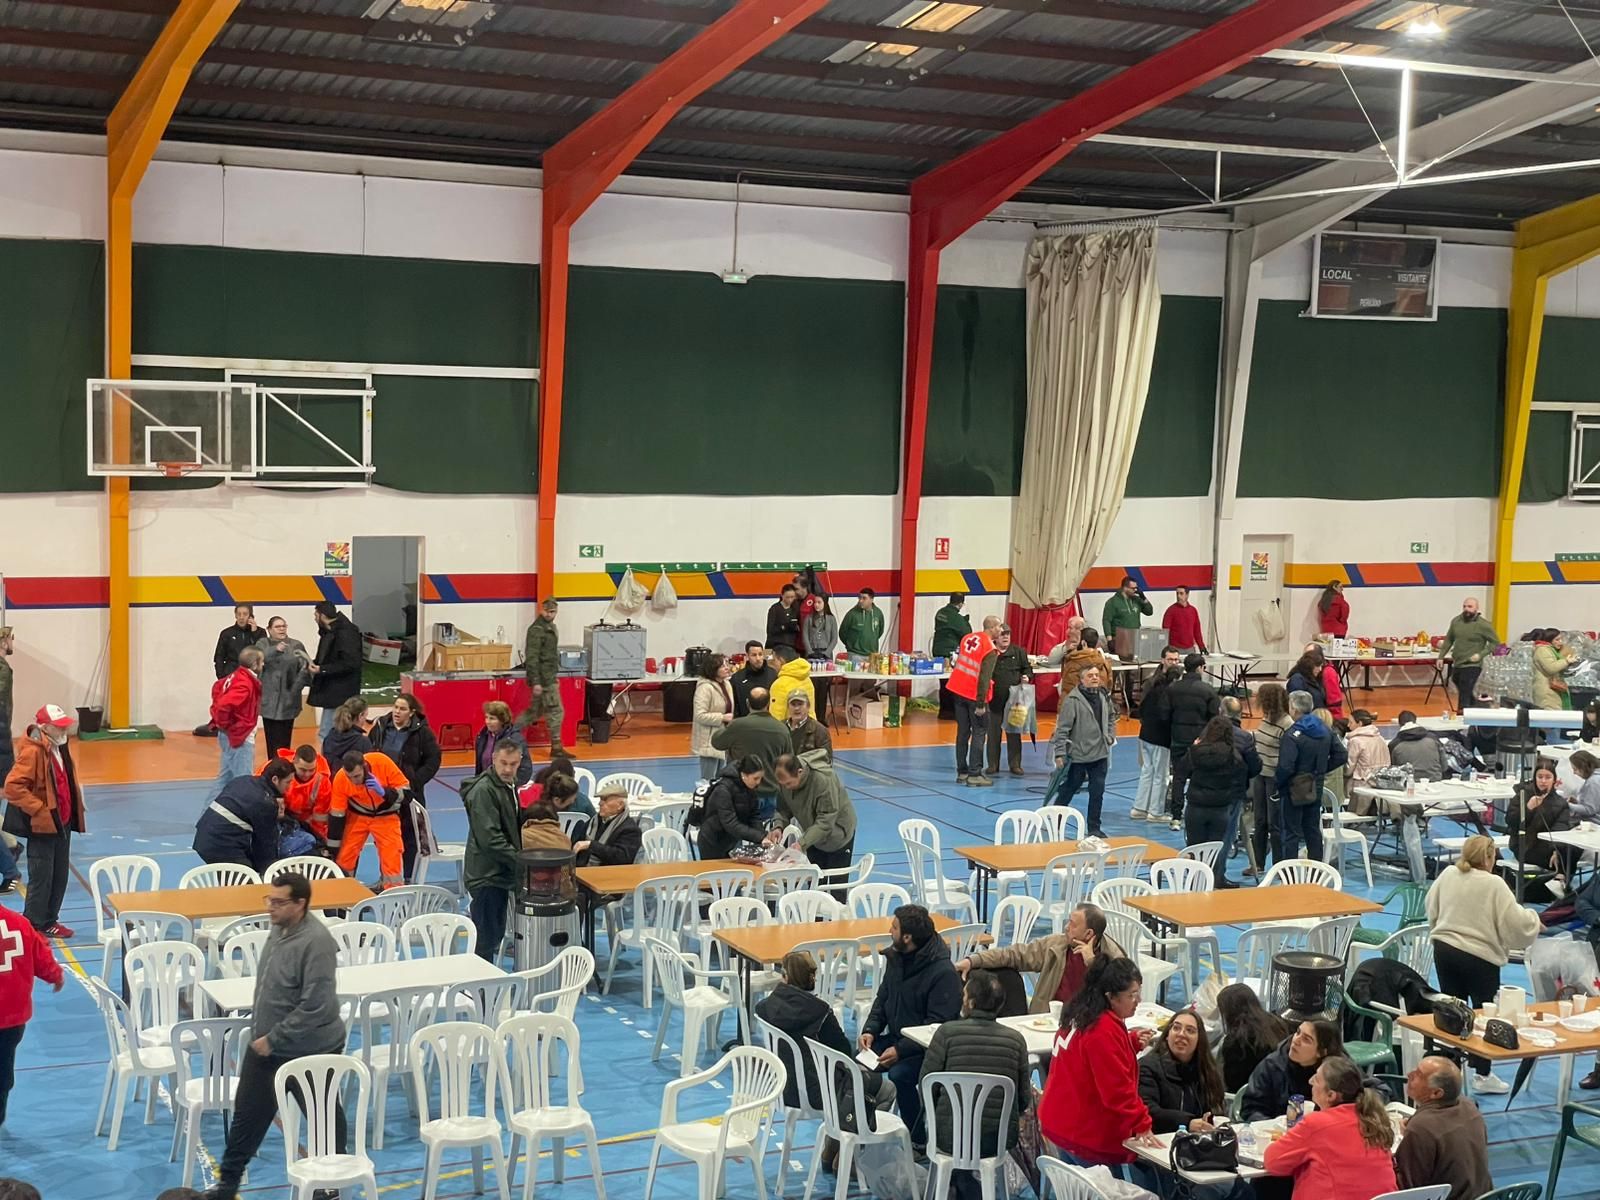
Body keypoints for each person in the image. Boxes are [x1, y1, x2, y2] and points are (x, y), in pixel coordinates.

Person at [202, 871, 348, 1200]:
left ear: (300, 904)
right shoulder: (279, 928)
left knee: (324, 1118)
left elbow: (317, 1006)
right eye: (269, 900)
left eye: (279, 902)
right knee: (247, 1116)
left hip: (311, 1050)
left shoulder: (318, 942)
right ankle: (227, 1186)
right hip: (268, 1046)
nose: (271, 908)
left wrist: (274, 1037)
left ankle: (332, 1184)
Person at [757, 950, 895, 1171]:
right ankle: (847, 1153)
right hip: (819, 1092)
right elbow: (843, 1052)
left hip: (781, 1087)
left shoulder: (763, 1008)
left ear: (785, 976)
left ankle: (835, 1144)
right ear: (812, 978)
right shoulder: (820, 1012)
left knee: (853, 1086)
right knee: (885, 1089)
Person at [1425, 834, 1540, 1092]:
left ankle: (1449, 1071)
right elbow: (1516, 923)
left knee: (1452, 1012)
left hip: (1445, 951)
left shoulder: (1448, 875)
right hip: (1479, 958)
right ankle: (1483, 1074)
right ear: (1489, 857)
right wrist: (1534, 920)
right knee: (1483, 1014)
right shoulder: (1494, 885)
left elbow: (1430, 906)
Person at [920, 970, 1032, 1200]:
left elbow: (926, 1085)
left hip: (947, 1135)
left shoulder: (946, 1033)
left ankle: (956, 1186)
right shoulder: (1016, 1040)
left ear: (970, 1002)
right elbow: (1022, 1098)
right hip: (996, 1140)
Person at [1040, 956, 1158, 1173]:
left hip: (1059, 1122)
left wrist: (1129, 1043)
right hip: (1084, 1135)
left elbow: (1085, 1057)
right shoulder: (1103, 1030)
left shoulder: (1081, 1011)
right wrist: (1143, 1125)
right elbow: (1116, 1091)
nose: (1138, 999)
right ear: (1111, 996)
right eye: (1132, 994)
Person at [858, 905, 963, 1148]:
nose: (889, 930)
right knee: (856, 1067)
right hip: (896, 1037)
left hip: (927, 1048)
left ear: (908, 937)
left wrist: (901, 1051)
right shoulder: (896, 957)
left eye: (894, 927)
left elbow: (937, 1025)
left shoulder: (943, 973)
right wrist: (870, 1030)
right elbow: (883, 997)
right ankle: (863, 1129)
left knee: (900, 1075)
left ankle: (917, 1140)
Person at [1261, 1056, 1397, 1200]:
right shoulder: (1374, 1119)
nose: (1310, 1081)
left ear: (1331, 1095)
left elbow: (1272, 1161)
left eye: (1317, 1079)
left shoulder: (1317, 1124)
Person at [3, 705, 85, 938]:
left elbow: (63, 779)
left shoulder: (59, 747)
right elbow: (13, 786)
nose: (65, 730)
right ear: (45, 727)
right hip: (43, 826)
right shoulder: (33, 751)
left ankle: (49, 920)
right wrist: (38, 809)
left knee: (59, 875)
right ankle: (34, 924)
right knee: (42, 877)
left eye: (65, 725)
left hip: (62, 822)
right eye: (60, 726)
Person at [956, 901, 1123, 1013]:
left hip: (1090, 1025)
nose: (1066, 927)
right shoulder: (1057, 945)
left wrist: (1093, 963)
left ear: (1088, 934)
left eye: (1072, 924)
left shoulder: (1114, 956)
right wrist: (973, 960)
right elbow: (1013, 954)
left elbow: (1120, 990)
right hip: (1050, 1020)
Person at [1392, 1056, 1493, 1200]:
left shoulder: (1421, 1128)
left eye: (1418, 1075)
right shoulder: (1469, 1106)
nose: (1409, 1075)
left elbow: (1407, 1187)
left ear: (1436, 1093)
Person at [0, 902, 63, 1130]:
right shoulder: (20, 924)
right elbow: (41, 955)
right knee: (3, 1068)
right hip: (13, 1019)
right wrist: (55, 975)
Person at [368, 692, 442, 880]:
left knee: (410, 838)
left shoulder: (423, 733)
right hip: (383, 794)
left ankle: (409, 877)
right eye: (395, 707)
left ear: (412, 712)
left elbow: (433, 759)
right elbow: (369, 753)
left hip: (409, 795)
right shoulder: (380, 727)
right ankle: (386, 878)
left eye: (402, 709)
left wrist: (416, 781)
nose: (397, 712)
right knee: (384, 840)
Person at [462, 739, 523, 960]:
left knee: (494, 935)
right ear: (493, 759)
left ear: (520, 762)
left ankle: (484, 989)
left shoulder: (507, 785)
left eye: (513, 764)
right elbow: (490, 839)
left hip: (498, 873)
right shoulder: (483, 791)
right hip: (486, 875)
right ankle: (479, 991)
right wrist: (521, 861)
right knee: (486, 940)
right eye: (504, 763)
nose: (508, 769)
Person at [1185, 715, 1256, 887]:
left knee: (1194, 848)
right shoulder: (1233, 756)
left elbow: (1183, 771)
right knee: (1216, 848)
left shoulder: (1195, 751)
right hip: (1220, 808)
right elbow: (1247, 771)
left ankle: (1194, 883)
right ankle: (1213, 881)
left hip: (1196, 807)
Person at [1277, 690, 1346, 861]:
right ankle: (1317, 870)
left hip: (1294, 787)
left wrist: (1278, 784)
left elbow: (1286, 766)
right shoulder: (1325, 730)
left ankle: (1289, 875)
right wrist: (1321, 770)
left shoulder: (1292, 734)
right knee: (1312, 829)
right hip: (1315, 784)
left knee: (1291, 833)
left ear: (1293, 708)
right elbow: (1341, 755)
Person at [193, 759, 295, 874]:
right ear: (275, 780)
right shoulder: (266, 803)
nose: (289, 787)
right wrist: (271, 871)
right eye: (288, 782)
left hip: (203, 836)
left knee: (230, 880)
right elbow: (265, 845)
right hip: (222, 844)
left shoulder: (243, 780)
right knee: (246, 882)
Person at [1051, 664, 1116, 837]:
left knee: (1097, 792)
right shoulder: (1073, 701)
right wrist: (1059, 753)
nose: (1095, 678)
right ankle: (1055, 819)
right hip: (1078, 755)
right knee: (1070, 788)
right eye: (1090, 676)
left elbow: (1111, 716)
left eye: (1097, 675)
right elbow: (1062, 729)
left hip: (1100, 754)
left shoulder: (1103, 696)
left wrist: (1110, 735)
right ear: (1082, 680)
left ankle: (1094, 827)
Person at [330, 750, 409, 890]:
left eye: (357, 776)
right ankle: (343, 893)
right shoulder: (341, 779)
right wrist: (332, 849)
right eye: (350, 777)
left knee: (392, 858)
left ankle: (394, 896)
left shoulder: (382, 762)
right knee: (344, 857)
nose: (354, 781)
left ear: (365, 767)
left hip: (386, 816)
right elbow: (337, 815)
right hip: (358, 816)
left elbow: (407, 794)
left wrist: (385, 792)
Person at [1240, 1018, 1344, 1121]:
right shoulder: (1272, 1066)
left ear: (1321, 1052)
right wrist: (1275, 1127)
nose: (1296, 1040)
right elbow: (1251, 1109)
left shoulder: (1338, 1074)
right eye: (1298, 1032)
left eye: (1306, 1039)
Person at [774, 752, 857, 879]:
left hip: (838, 834)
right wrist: (778, 826)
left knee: (837, 886)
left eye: (789, 784)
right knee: (816, 880)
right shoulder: (786, 779)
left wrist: (802, 843)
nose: (786, 788)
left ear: (800, 772)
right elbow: (783, 808)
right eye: (783, 785)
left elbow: (826, 820)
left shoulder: (823, 780)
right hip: (813, 835)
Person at [1166, 652, 1220, 834]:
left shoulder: (1173, 688)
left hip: (1178, 738)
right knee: (1200, 777)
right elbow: (1215, 719)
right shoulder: (1208, 690)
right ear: (1200, 668)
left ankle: (1175, 817)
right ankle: (1196, 814)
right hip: (1200, 741)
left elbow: (1164, 713)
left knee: (1179, 778)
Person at [712, 688, 793, 809]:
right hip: (771, 794)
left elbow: (717, 742)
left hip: (740, 793)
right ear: (768, 704)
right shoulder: (782, 729)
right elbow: (789, 761)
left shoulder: (737, 726)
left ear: (747, 703)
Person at [206, 645, 263, 803]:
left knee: (224, 779)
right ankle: (242, 819)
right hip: (239, 738)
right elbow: (224, 705)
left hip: (231, 736)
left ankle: (207, 815)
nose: (264, 665)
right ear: (255, 664)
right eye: (262, 661)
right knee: (244, 783)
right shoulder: (245, 682)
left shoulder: (236, 676)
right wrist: (227, 725)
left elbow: (217, 688)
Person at [1246, 683, 1293, 874]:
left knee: (1275, 824)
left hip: (1274, 778)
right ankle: (1257, 863)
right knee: (1259, 821)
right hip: (1260, 775)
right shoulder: (1266, 718)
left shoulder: (1287, 723)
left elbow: (1287, 754)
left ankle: (1278, 865)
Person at [948, 618, 999, 787]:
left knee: (962, 732)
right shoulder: (990, 649)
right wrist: (981, 703)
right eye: (999, 626)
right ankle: (975, 773)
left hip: (957, 689)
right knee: (979, 732)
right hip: (973, 694)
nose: (1001, 630)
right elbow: (984, 678)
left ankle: (961, 772)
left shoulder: (967, 638)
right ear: (991, 628)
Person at [521, 597, 574, 759]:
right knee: (556, 711)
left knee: (534, 713)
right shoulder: (537, 630)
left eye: (553, 612)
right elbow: (532, 657)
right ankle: (556, 747)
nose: (550, 614)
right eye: (547, 611)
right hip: (545, 679)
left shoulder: (550, 627)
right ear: (541, 610)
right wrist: (536, 681)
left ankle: (507, 736)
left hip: (548, 676)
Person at [1216, 982, 1292, 1093]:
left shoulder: (1235, 1042)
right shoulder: (1277, 1023)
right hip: (1280, 1091)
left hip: (1248, 1097)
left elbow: (1231, 1085)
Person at [254, 616, 309, 760]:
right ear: (269, 629)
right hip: (269, 700)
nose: (282, 629)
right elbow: (257, 658)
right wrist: (275, 650)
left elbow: (305, 668)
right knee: (271, 739)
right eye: (278, 627)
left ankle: (285, 766)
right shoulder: (263, 643)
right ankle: (272, 764)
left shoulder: (296, 645)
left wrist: (296, 688)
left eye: (284, 626)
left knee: (285, 739)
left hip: (288, 700)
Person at [696, 756, 770, 862]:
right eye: (755, 778)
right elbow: (730, 823)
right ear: (744, 775)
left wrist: (763, 837)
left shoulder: (750, 788)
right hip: (712, 841)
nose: (758, 782)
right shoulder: (723, 789)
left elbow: (754, 816)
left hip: (731, 840)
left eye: (760, 778)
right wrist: (759, 837)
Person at [306, 600, 361, 739]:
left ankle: (328, 760)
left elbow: (350, 663)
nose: (314, 618)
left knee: (327, 732)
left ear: (322, 616)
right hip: (334, 691)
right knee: (328, 731)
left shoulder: (345, 633)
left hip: (340, 693)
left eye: (316, 615)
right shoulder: (330, 632)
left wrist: (322, 669)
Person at [1131, 664, 1178, 822]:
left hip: (1144, 735)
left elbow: (1141, 710)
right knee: (1161, 775)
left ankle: (1139, 808)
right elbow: (1166, 717)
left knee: (1147, 772)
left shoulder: (1154, 689)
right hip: (1160, 739)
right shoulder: (1169, 694)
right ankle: (1156, 812)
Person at [985, 624, 1034, 778]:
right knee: (993, 735)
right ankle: (993, 765)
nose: (1005, 637)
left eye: (1008, 634)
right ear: (995, 637)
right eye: (1002, 634)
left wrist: (1027, 676)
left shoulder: (1019, 652)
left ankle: (1015, 765)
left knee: (1014, 734)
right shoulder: (990, 652)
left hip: (1014, 703)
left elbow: (1027, 669)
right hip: (994, 702)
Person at [1439, 598, 1498, 714]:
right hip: (1458, 662)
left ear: (1477, 608)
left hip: (1473, 664)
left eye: (1470, 606)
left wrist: (1480, 655)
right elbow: (1449, 640)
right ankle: (1476, 706)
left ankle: (1462, 713)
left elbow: (1495, 643)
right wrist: (1441, 657)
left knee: (1465, 687)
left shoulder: (1483, 625)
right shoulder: (1456, 621)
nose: (1466, 609)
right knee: (1457, 681)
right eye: (1464, 606)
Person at [271, 744, 333, 850]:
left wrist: (320, 840)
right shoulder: (275, 768)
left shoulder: (322, 782)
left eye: (311, 770)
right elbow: (260, 791)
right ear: (293, 761)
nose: (307, 774)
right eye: (303, 770)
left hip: (305, 824)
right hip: (277, 817)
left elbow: (320, 818)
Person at [573, 782, 643, 868]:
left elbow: (622, 858)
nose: (600, 803)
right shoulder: (593, 822)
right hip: (582, 870)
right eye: (600, 799)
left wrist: (591, 845)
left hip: (609, 874)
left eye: (605, 800)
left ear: (620, 805)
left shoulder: (630, 830)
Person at [691, 652, 735, 780]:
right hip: (708, 741)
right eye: (722, 666)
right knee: (708, 780)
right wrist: (722, 717)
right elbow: (699, 715)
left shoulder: (727, 684)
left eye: (727, 664)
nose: (727, 668)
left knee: (721, 779)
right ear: (712, 669)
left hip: (722, 738)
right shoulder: (704, 688)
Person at [476, 700, 533, 785]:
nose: (487, 721)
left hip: (506, 786)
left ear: (502, 720)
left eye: (492, 718)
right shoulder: (482, 736)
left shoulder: (515, 739)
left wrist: (511, 785)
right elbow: (480, 766)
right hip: (486, 785)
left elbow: (525, 768)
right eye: (486, 717)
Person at [1344, 708, 1391, 800]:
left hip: (1361, 786)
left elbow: (1349, 769)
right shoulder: (1380, 738)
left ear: (1360, 723)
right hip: (1382, 784)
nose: (1348, 726)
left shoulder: (1355, 741)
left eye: (1351, 722)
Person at [1389, 711, 1447, 781]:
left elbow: (1393, 770)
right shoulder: (1433, 738)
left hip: (1408, 783)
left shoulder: (1393, 745)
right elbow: (1444, 766)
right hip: (1435, 779)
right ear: (1415, 721)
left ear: (1399, 724)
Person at [1057, 627, 1115, 696]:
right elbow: (1109, 688)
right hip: (1099, 704)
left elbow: (1066, 690)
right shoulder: (1105, 663)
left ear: (1083, 643)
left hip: (1075, 705)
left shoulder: (1072, 664)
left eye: (1077, 641)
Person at [1101, 575, 1152, 652]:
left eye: (1136, 588)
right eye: (1133, 588)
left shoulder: (1136, 600)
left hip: (1135, 639)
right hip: (1119, 639)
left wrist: (1143, 598)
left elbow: (1149, 612)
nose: (1135, 590)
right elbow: (1106, 621)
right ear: (1125, 588)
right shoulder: (1112, 602)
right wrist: (1109, 640)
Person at [320, 695, 372, 766]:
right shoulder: (363, 742)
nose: (365, 720)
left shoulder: (329, 736)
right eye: (365, 716)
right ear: (360, 716)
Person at [1533, 628, 1577, 710]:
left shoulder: (1552, 650)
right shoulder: (1542, 650)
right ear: (1549, 640)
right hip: (1547, 692)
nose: (1560, 642)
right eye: (1557, 639)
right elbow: (1551, 668)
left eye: (1561, 639)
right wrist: (1566, 661)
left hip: (1555, 690)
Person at [768, 643, 816, 716]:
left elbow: (776, 717)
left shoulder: (779, 685)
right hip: (811, 726)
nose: (772, 663)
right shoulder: (807, 679)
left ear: (781, 660)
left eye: (774, 660)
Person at [730, 641, 777, 717]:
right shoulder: (737, 678)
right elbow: (734, 704)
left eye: (760, 654)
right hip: (745, 723)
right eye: (754, 655)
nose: (758, 658)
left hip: (769, 721)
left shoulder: (773, 674)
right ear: (747, 656)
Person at [784, 692, 832, 760]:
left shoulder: (820, 731)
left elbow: (826, 760)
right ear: (788, 707)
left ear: (808, 706)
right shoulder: (780, 728)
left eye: (800, 704)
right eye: (793, 704)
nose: (797, 708)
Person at [1160, 586, 1206, 654]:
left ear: (1187, 595)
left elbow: (1197, 630)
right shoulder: (1171, 610)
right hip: (1174, 648)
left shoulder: (1193, 610)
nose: (1178, 596)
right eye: (1177, 593)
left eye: (1181, 593)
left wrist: (1201, 646)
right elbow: (1165, 631)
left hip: (1190, 648)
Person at [840, 588, 885, 656]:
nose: (861, 600)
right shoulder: (852, 614)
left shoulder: (878, 613)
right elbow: (842, 632)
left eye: (864, 598)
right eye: (859, 598)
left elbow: (880, 632)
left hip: (873, 655)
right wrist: (851, 646)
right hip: (855, 654)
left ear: (871, 599)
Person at [1285, 648, 1329, 713]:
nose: (1320, 669)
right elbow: (1298, 706)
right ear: (1310, 665)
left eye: (1321, 666)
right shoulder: (1297, 679)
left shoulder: (1315, 678)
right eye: (1318, 666)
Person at [931, 592, 971, 660]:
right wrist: (966, 622)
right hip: (949, 653)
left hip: (937, 650)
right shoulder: (957, 618)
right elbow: (967, 633)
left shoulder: (940, 612)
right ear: (961, 604)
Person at [766, 584, 801, 653]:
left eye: (792, 597)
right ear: (782, 595)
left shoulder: (795, 608)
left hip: (790, 645)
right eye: (787, 597)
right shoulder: (774, 609)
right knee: (770, 662)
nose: (790, 600)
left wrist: (796, 627)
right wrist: (783, 627)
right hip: (774, 645)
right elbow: (770, 630)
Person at [803, 593, 838, 659]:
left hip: (826, 653)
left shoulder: (831, 618)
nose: (816, 605)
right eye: (815, 602)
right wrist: (810, 652)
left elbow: (834, 639)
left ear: (825, 603)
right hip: (811, 652)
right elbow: (805, 637)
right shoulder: (808, 618)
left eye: (819, 602)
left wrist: (827, 653)